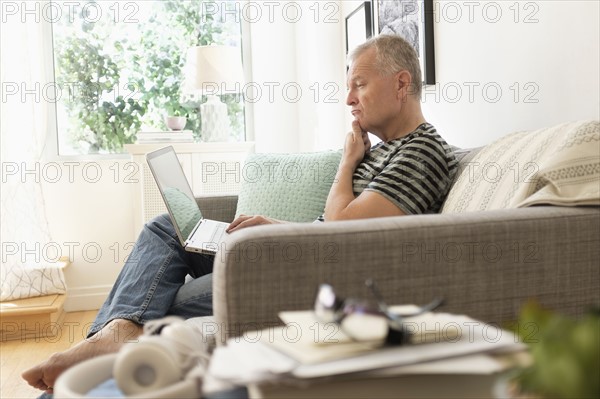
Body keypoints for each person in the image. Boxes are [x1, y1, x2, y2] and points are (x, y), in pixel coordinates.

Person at [22, 34, 458, 394]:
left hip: (307, 276)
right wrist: (278, 227)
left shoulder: (421, 151)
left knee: (160, 302)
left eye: (359, 85)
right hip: (296, 250)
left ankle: (112, 346)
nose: (348, 99)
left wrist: (346, 162)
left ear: (402, 84)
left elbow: (340, 235)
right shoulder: (383, 149)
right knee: (164, 228)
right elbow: (336, 227)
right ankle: (113, 336)